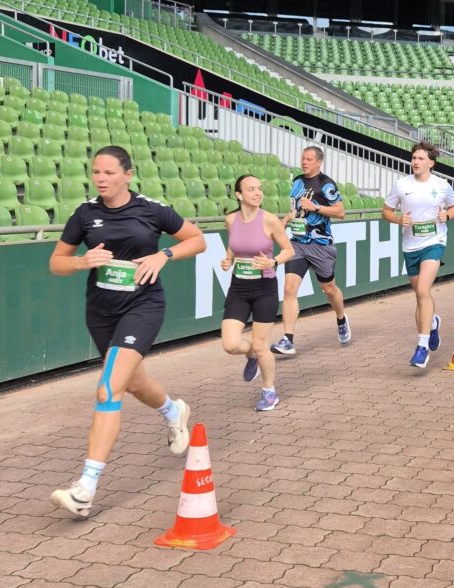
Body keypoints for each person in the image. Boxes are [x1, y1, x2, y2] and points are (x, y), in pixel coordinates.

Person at [48, 146, 206, 518]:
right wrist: (82, 261)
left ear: (128, 175)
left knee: (108, 388)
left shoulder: (151, 209)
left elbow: (197, 240)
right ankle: (173, 411)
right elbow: (56, 263)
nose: (101, 179)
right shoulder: (85, 214)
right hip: (101, 312)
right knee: (133, 382)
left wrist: (163, 255)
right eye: (96, 172)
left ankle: (85, 488)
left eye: (109, 172)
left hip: (143, 306)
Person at [221, 175, 295, 411]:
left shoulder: (270, 220)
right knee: (230, 344)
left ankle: (268, 391)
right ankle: (251, 353)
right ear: (239, 195)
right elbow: (234, 243)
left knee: (261, 345)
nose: (257, 193)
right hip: (239, 288)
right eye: (251, 189)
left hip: (264, 288)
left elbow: (289, 250)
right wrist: (228, 259)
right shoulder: (231, 220)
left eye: (259, 189)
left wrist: (273, 262)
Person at [382, 141, 454, 368]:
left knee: (424, 290)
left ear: (431, 163)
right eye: (414, 158)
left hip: (434, 242)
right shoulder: (401, 184)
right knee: (420, 295)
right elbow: (386, 211)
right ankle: (432, 323)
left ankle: (421, 347)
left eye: (421, 158)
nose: (415, 162)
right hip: (410, 246)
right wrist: (399, 219)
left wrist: (448, 215)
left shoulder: (442, 185)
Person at [271, 146, 349, 356]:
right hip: (297, 243)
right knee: (289, 289)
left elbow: (340, 211)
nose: (304, 162)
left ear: (319, 162)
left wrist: (316, 207)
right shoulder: (297, 181)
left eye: (309, 159)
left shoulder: (326, 184)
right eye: (303, 158)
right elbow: (295, 209)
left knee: (329, 289)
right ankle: (288, 339)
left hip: (320, 244)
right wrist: (285, 221)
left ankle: (341, 318)